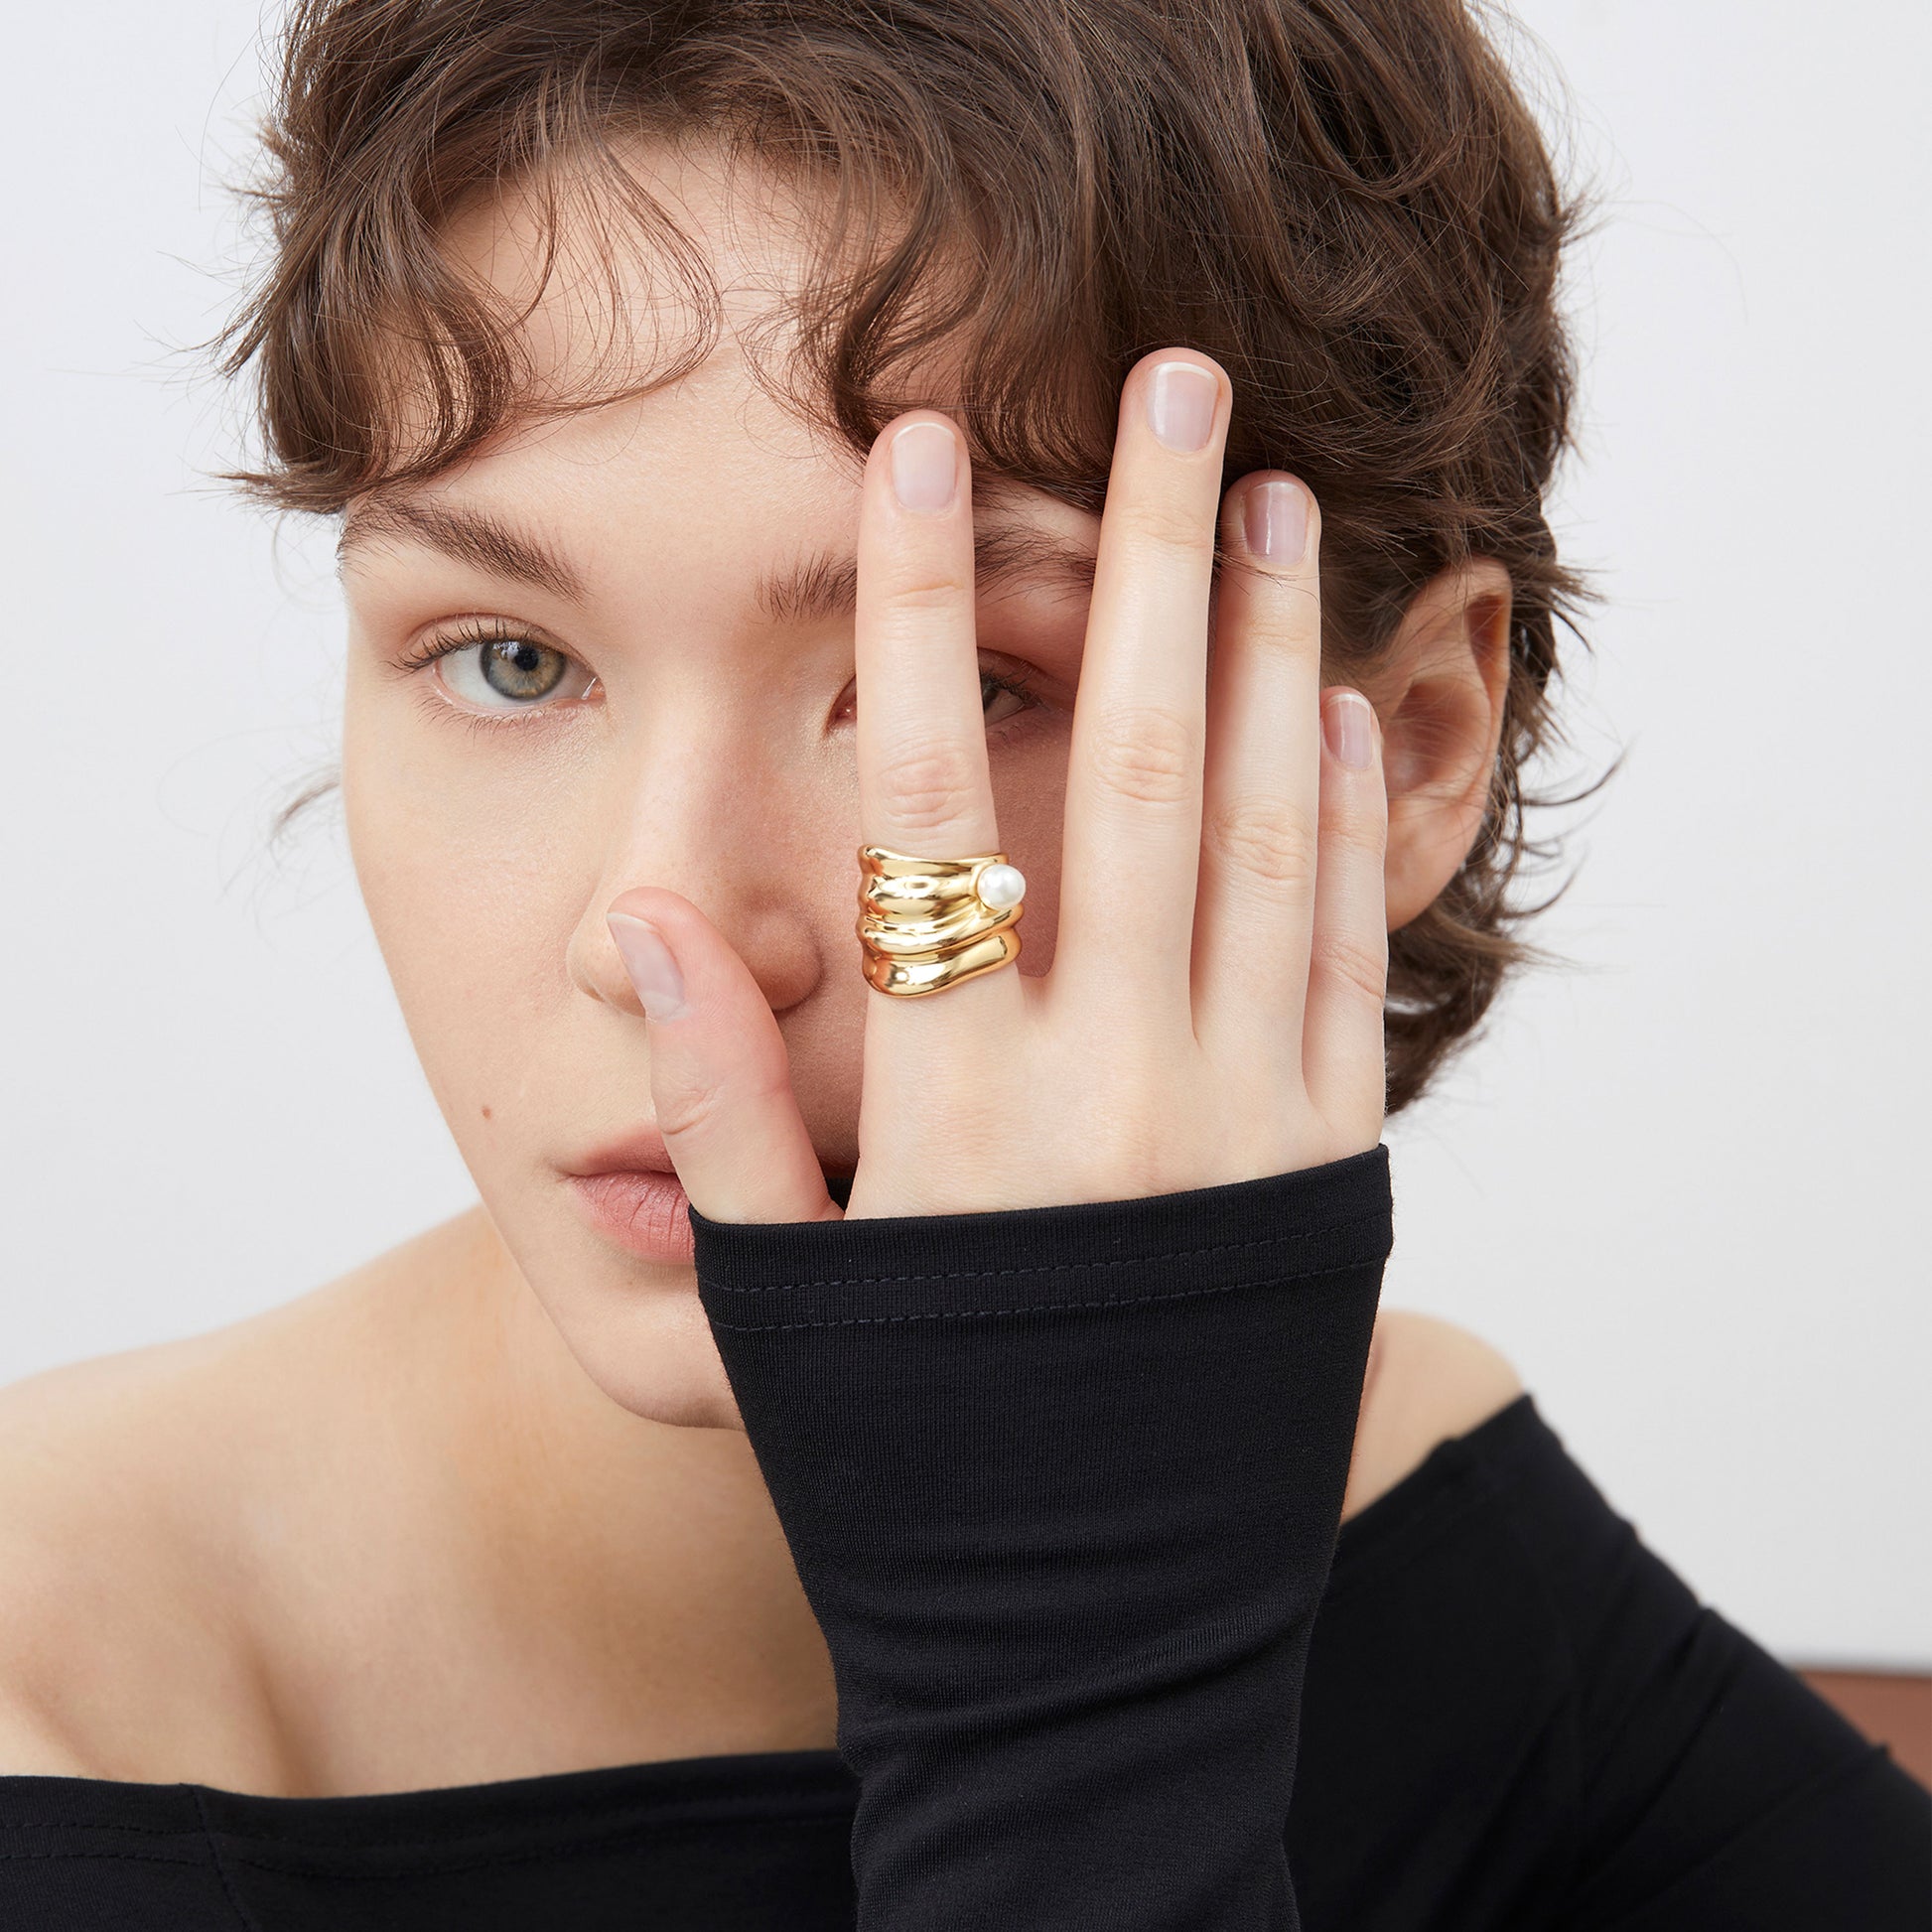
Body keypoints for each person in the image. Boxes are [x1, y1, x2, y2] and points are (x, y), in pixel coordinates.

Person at [0, 0, 1924, 1925]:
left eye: (976, 681)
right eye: (509, 659)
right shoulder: (54, 1700)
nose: (659, 934)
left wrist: (1075, 1681)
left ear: (1409, 745)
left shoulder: (1405, 1521)